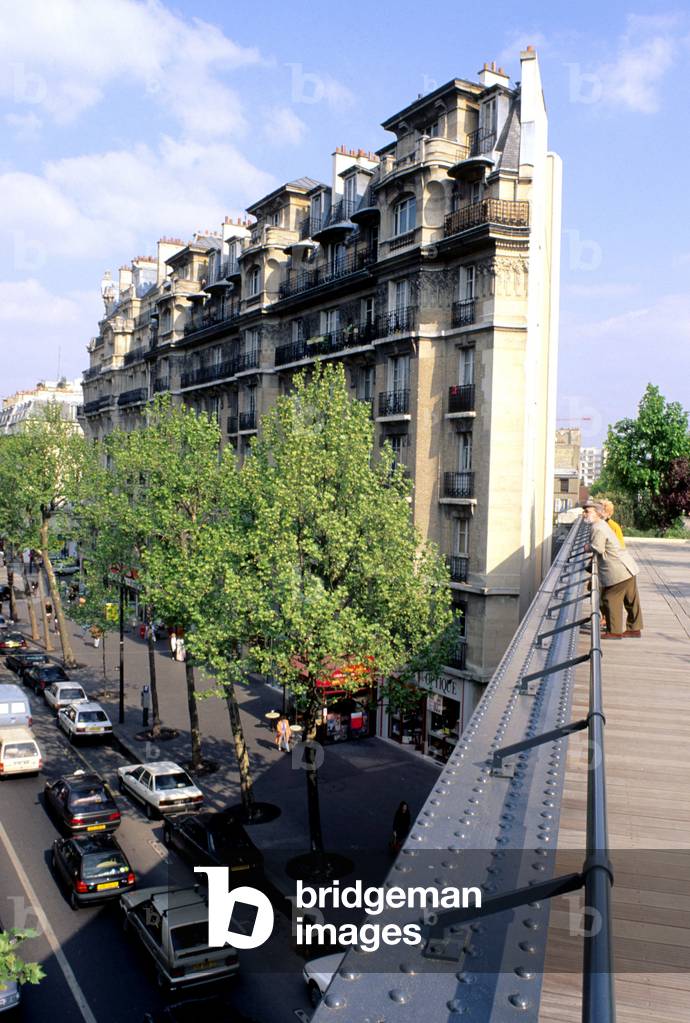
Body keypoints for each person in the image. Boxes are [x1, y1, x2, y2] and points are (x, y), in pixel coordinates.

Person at [582, 500, 643, 638]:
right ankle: (634, 629)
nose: (584, 514)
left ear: (597, 513)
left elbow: (598, 547)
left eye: (587, 511)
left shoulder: (597, 527)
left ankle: (614, 632)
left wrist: (587, 547)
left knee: (610, 598)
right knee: (630, 600)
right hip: (627, 566)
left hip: (618, 570)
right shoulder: (603, 524)